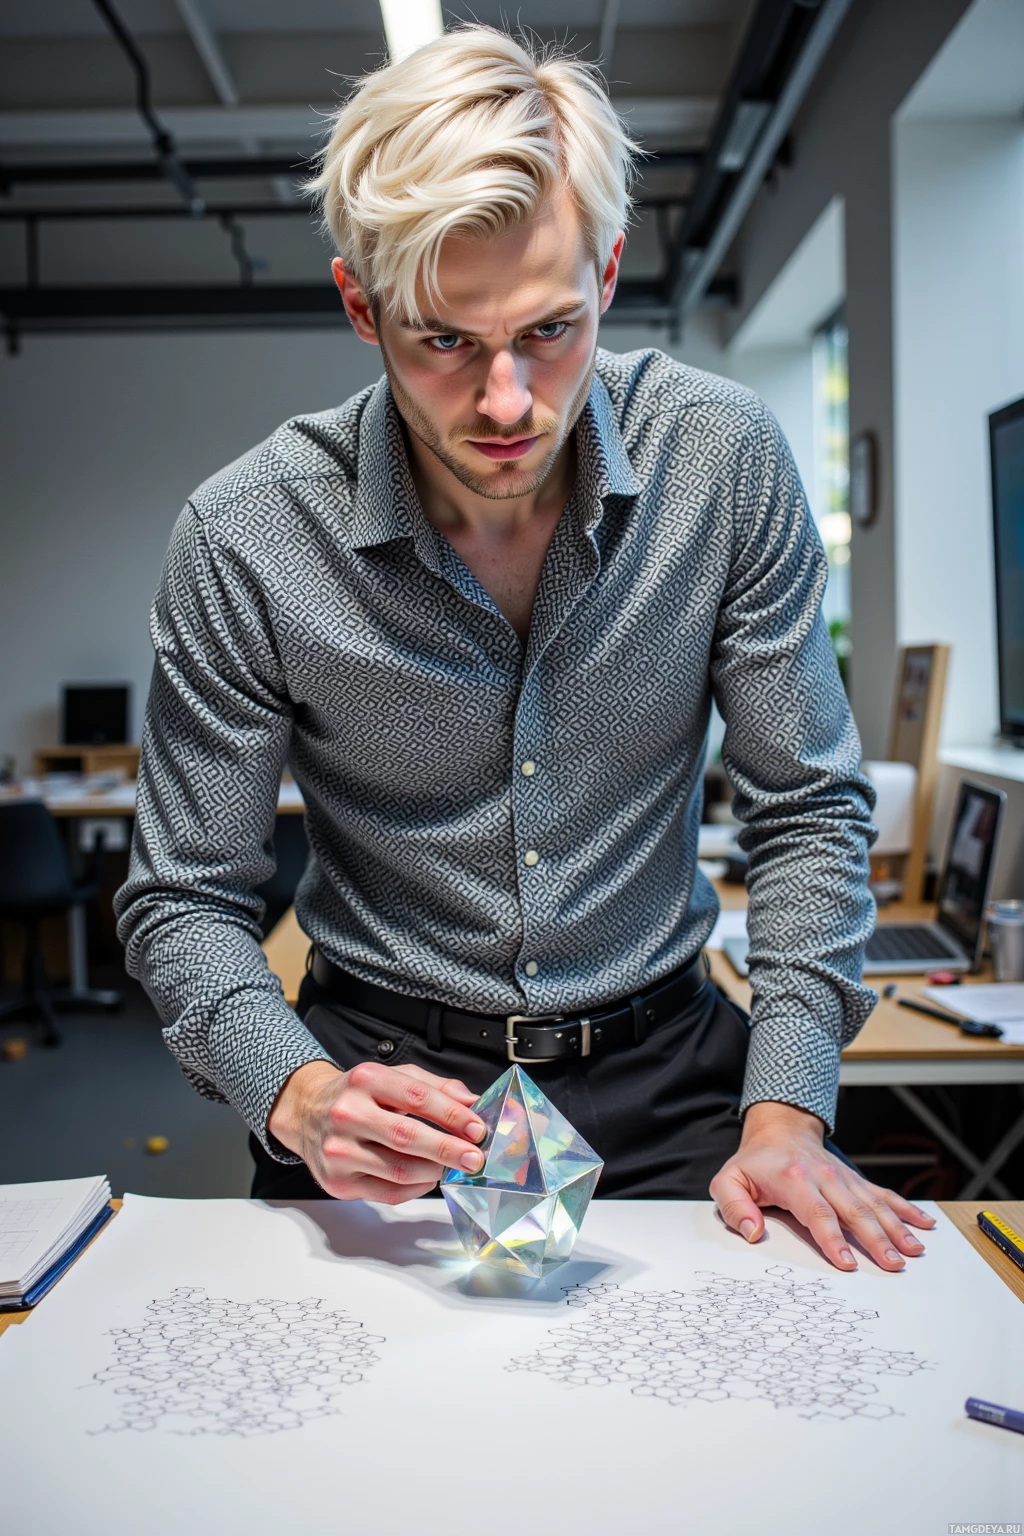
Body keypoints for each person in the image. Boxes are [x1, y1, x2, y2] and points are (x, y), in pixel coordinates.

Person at [116, 25, 934, 1272]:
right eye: (444, 340)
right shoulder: (245, 536)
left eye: (550, 332)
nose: (505, 402)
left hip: (671, 1084)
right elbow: (185, 897)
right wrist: (295, 1093)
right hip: (380, 1098)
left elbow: (808, 807)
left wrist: (787, 1108)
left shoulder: (721, 462)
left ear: (608, 273)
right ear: (360, 306)